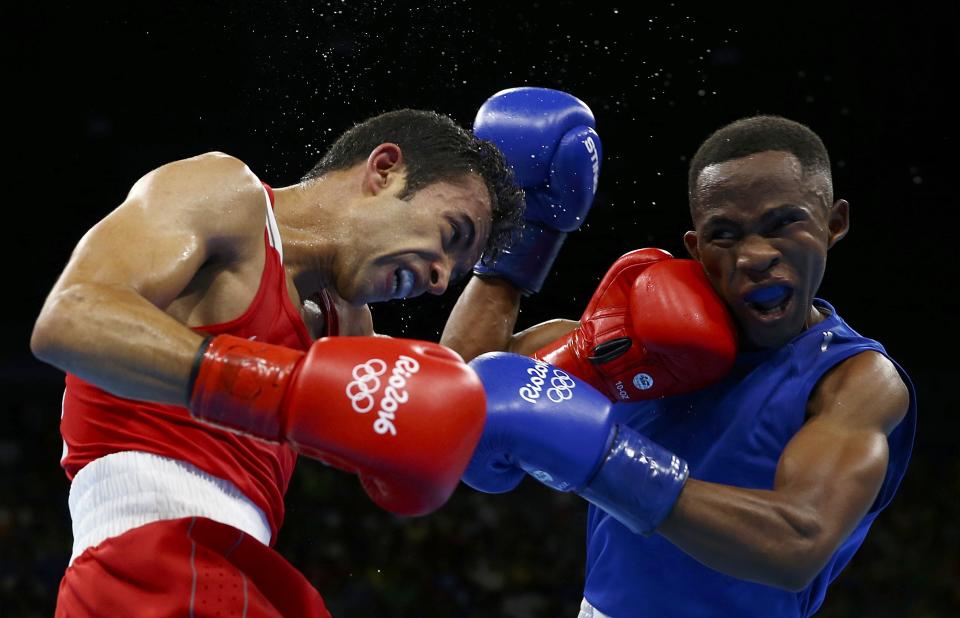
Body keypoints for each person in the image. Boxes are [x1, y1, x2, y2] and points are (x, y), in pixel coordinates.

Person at [30, 108, 526, 616]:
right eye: (451, 234)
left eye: (455, 270)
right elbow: (71, 316)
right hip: (146, 566)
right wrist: (278, 388)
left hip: (242, 572)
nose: (441, 279)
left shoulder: (343, 323)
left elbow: (455, 400)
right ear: (383, 169)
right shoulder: (226, 196)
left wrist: (520, 264)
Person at [443, 115, 917, 617]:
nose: (755, 255)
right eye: (726, 235)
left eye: (782, 224)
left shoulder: (854, 378)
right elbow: (460, 390)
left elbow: (796, 542)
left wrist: (603, 460)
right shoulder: (643, 334)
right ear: (696, 248)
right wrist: (526, 235)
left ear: (833, 224)